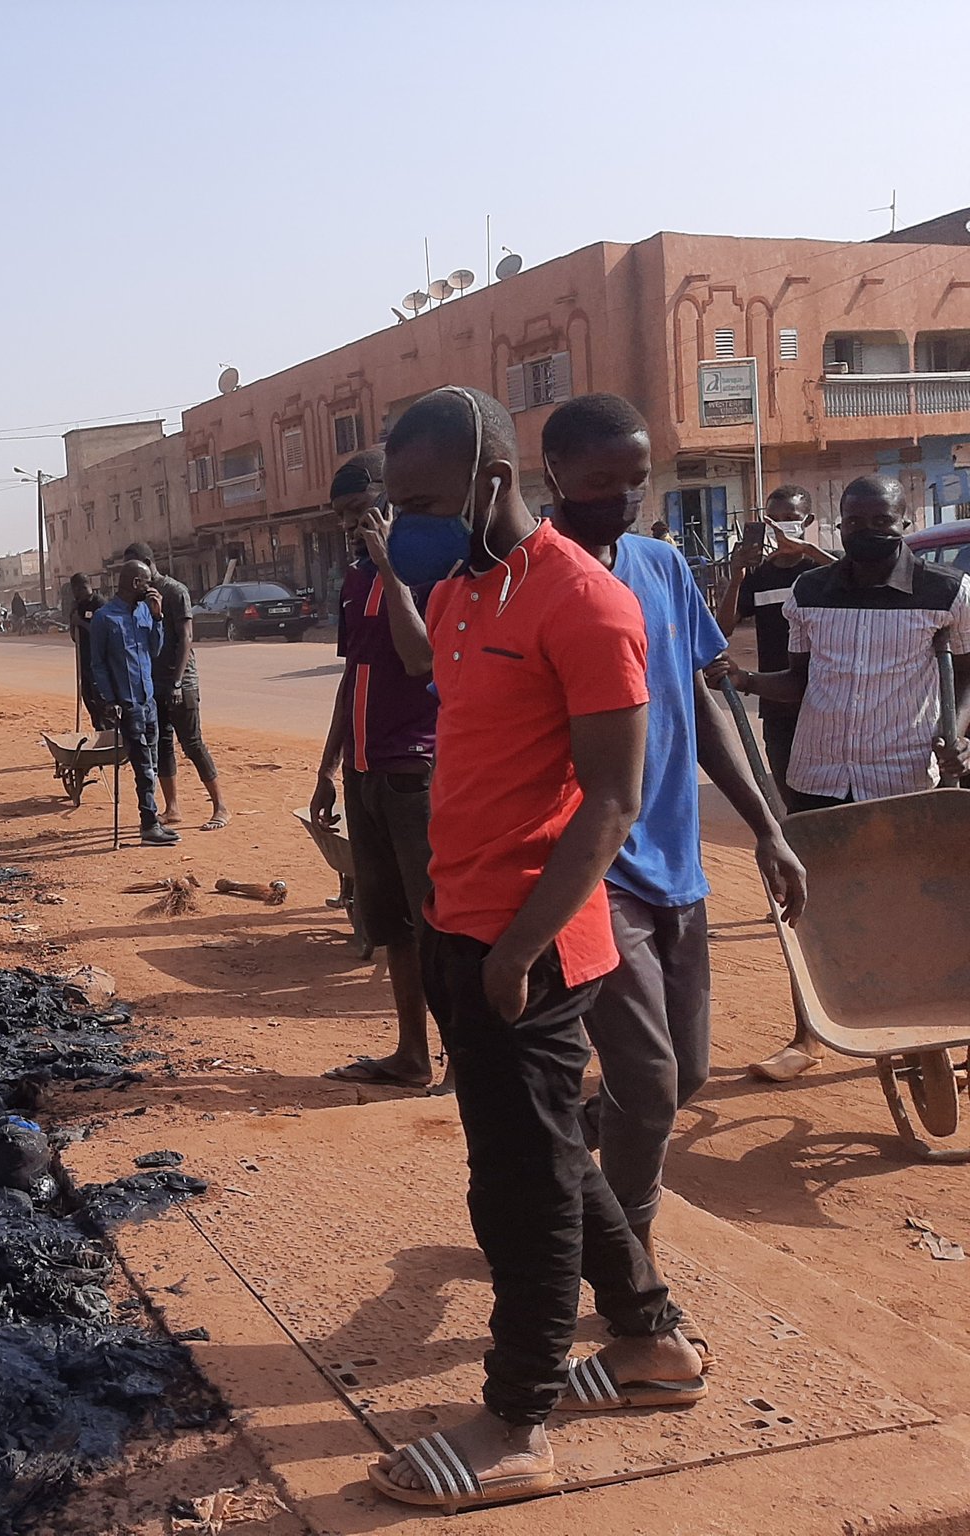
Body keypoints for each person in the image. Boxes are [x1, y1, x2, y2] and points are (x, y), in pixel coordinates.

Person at [367, 387, 699, 1513]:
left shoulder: (585, 602)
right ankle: (651, 1344)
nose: (406, 520)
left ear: (490, 483)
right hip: (461, 924)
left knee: (518, 1190)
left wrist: (513, 951)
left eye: (419, 500)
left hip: (533, 946)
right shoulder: (459, 589)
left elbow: (608, 803)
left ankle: (516, 1422)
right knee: (549, 1157)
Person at [539, 395, 806, 1326]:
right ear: (556, 479)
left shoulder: (659, 567)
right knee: (650, 1084)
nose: (619, 497)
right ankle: (629, 1262)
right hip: (592, 868)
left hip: (677, 866)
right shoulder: (541, 579)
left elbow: (702, 704)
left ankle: (571, 1161)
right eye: (599, 482)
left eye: (634, 480)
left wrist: (769, 826)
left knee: (684, 1078)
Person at [712, 474, 970, 1081]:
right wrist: (746, 682)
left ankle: (929, 1024)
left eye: (880, 523)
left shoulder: (948, 592)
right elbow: (798, 682)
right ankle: (811, 1034)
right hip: (818, 772)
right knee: (813, 909)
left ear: (904, 523)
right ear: (840, 525)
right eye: (854, 523)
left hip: (902, 773)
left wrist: (956, 731)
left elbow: (965, 677)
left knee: (913, 906)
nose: (867, 533)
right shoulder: (810, 591)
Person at [310, 451, 442, 1089]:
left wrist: (390, 566)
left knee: (439, 924)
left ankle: (463, 1061)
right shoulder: (354, 578)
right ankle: (412, 1055)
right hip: (365, 777)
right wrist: (329, 767)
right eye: (341, 517)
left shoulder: (428, 571)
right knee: (391, 927)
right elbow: (352, 676)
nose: (351, 525)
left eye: (361, 511)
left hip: (414, 773)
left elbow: (421, 661)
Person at [713, 486, 834, 808]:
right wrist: (737, 575)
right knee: (788, 793)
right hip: (776, 700)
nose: (782, 526)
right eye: (775, 519)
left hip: (827, 699)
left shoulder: (823, 571)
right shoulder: (760, 575)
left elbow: (859, 588)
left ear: (807, 520)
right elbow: (721, 630)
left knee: (831, 795)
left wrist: (810, 551)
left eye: (791, 519)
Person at [125, 541, 229, 831]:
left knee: (193, 743)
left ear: (148, 562)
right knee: (162, 745)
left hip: (181, 683)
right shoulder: (139, 599)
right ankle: (172, 808)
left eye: (136, 569)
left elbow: (186, 637)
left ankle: (220, 806)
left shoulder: (174, 591)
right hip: (153, 684)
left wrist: (178, 681)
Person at [89, 560, 177, 847]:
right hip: (126, 705)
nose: (151, 587)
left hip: (147, 698)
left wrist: (158, 617)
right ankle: (148, 823)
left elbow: (155, 649)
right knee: (143, 766)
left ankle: (150, 820)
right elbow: (98, 664)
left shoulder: (144, 612)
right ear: (134, 582)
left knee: (151, 761)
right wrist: (109, 700)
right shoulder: (105, 618)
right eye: (147, 581)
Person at [68, 573, 108, 726]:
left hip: (99, 663)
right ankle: (99, 731)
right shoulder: (77, 606)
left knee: (103, 704)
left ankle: (110, 738)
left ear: (81, 588)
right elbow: (74, 637)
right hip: (84, 663)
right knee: (90, 703)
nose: (74, 595)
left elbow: (102, 634)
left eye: (75, 591)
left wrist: (82, 622)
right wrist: (73, 621)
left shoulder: (100, 604)